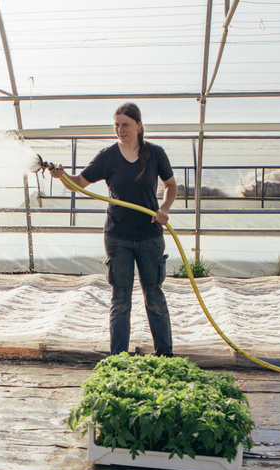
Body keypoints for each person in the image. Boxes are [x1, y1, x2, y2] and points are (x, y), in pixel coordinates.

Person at [50, 102, 178, 357]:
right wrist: (62, 176)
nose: (120, 130)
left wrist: (164, 208)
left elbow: (171, 186)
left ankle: (165, 357)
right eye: (117, 125)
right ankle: (118, 359)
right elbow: (79, 184)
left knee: (154, 296)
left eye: (126, 125)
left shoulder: (155, 154)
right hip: (118, 237)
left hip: (150, 236)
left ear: (139, 125)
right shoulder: (108, 156)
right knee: (120, 300)